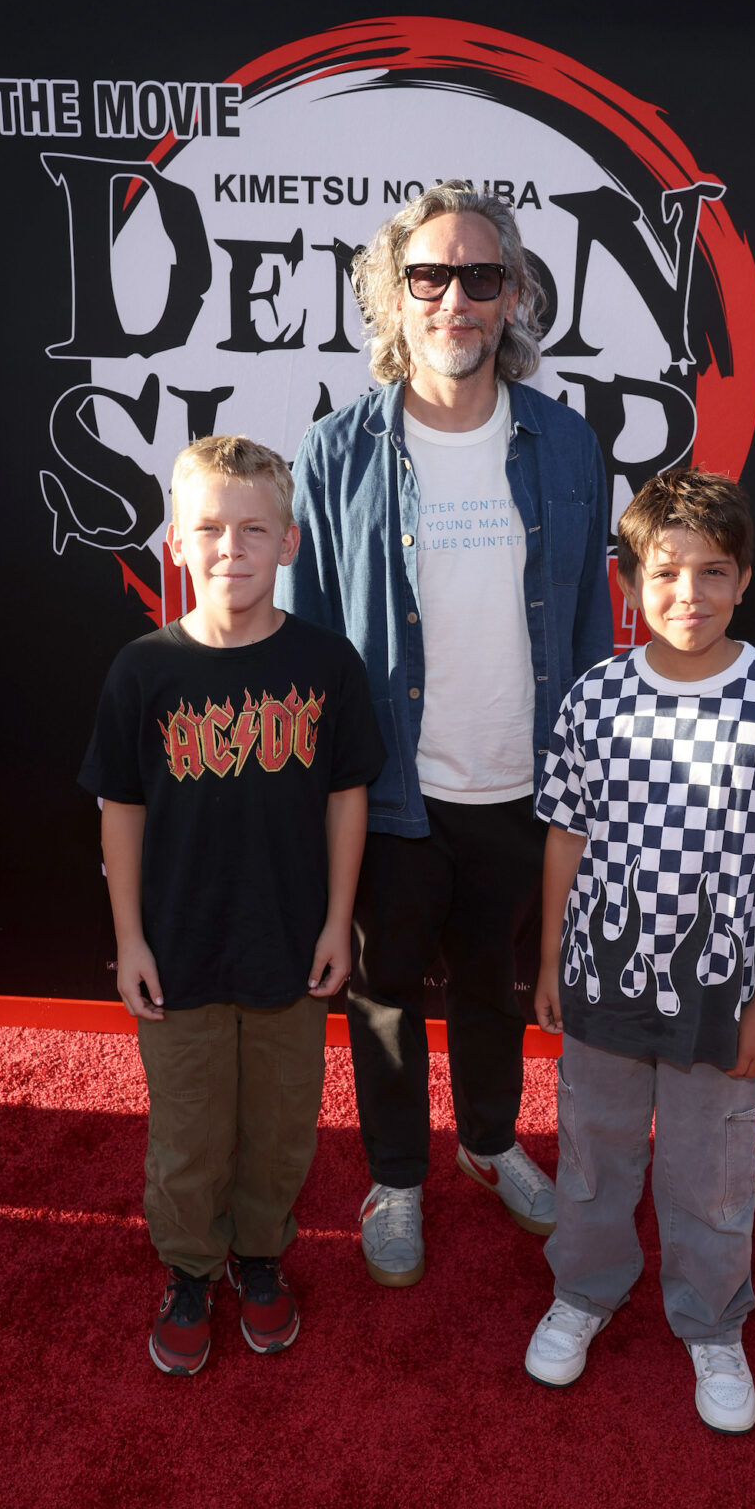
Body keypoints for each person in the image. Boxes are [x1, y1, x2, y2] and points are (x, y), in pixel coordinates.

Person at [282, 181, 613, 1286]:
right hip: (391, 790)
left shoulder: (567, 445)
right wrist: (323, 792)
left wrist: (582, 776)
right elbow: (313, 636)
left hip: (522, 782)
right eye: (429, 275)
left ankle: (486, 1142)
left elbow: (586, 622)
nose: (454, 297)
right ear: (393, 296)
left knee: (491, 987)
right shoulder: (336, 450)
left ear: (513, 296)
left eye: (480, 275)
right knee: (382, 1000)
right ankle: (395, 1178)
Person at [524, 468, 755, 1432]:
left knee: (710, 1171)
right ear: (629, 581)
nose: (690, 594)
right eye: (666, 572)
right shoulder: (595, 698)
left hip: (720, 994)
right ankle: (583, 1292)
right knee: (593, 1153)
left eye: (714, 571)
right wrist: (549, 959)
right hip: (599, 982)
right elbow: (566, 839)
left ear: (745, 580)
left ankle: (713, 1322)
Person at [79, 436, 384, 1374]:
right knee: (188, 1130)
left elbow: (347, 798)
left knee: (283, 1125)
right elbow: (120, 809)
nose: (230, 548)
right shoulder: (142, 669)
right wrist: (130, 940)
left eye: (255, 529)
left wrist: (337, 922)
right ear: (176, 540)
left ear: (289, 542)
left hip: (290, 942)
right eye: (209, 527)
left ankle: (260, 1257)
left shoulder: (327, 663)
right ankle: (188, 1268)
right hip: (177, 948)